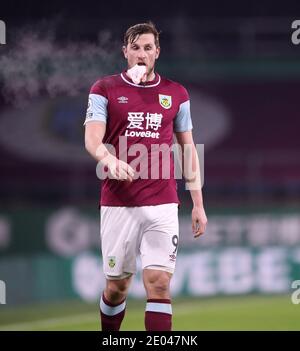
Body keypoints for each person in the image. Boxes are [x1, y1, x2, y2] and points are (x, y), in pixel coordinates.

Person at [84, 21, 207, 331]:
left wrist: (198, 204)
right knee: (117, 288)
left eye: (148, 48)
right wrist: (108, 159)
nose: (141, 53)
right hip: (118, 202)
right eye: (135, 47)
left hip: (163, 201)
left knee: (159, 282)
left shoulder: (176, 94)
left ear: (157, 52)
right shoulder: (104, 89)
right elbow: (92, 140)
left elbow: (188, 150)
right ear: (125, 51)